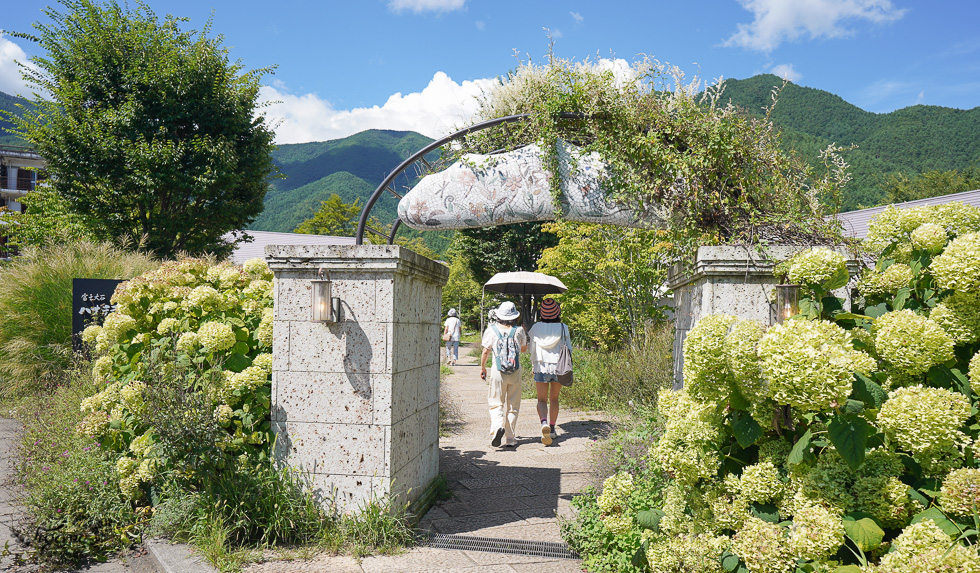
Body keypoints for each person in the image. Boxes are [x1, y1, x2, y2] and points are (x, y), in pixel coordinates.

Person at [480, 301, 527, 449]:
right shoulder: (519, 330)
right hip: (515, 370)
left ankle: (497, 428)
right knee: (513, 404)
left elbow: (486, 351)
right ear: (514, 316)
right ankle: (510, 437)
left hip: (497, 371)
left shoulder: (491, 330)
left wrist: (483, 368)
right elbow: (524, 349)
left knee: (495, 402)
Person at [527, 298, 572, 446]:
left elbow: (532, 349)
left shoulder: (535, 328)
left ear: (542, 313)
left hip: (541, 366)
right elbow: (569, 349)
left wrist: (533, 365)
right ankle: (552, 428)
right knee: (554, 399)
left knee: (541, 400)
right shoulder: (563, 327)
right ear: (557, 313)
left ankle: (543, 423)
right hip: (559, 367)